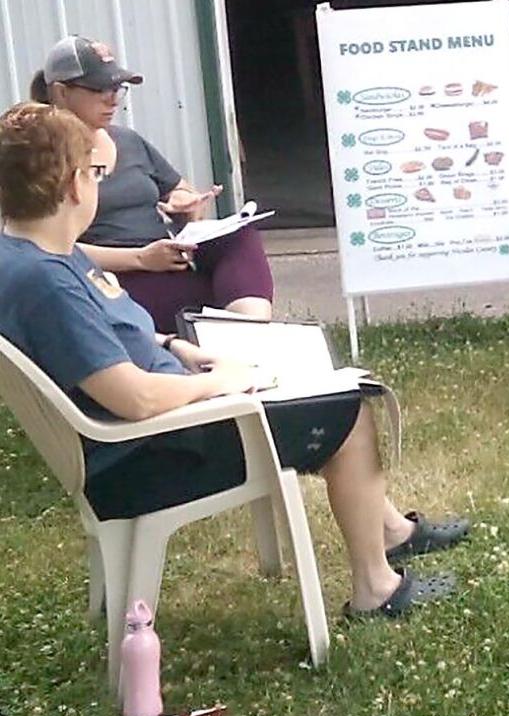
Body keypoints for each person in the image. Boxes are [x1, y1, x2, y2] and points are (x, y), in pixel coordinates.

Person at [0, 101, 470, 617]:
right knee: (351, 408)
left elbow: (114, 338)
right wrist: (220, 382)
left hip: (160, 429)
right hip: (156, 454)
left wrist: (177, 347)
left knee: (310, 376)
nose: (97, 183)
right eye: (94, 173)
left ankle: (388, 531)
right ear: (72, 186)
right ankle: (375, 588)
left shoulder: (39, 254)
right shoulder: (49, 284)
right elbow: (134, 397)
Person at [30, 35, 275, 334]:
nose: (113, 99)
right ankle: (238, 342)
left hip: (166, 255)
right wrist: (141, 259)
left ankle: (253, 336)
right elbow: (43, 247)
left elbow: (177, 187)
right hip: (113, 275)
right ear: (60, 92)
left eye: (117, 88)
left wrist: (185, 203)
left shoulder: (128, 141)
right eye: (98, 89)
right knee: (190, 299)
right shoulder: (39, 155)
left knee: (241, 235)